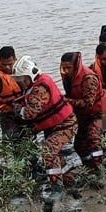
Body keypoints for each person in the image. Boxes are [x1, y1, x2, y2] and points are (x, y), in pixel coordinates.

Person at [11, 56, 78, 195]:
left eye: (22, 79)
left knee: (48, 151)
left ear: (30, 75)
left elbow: (29, 113)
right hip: (55, 124)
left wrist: (17, 108)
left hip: (65, 125)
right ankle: (69, 181)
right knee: (55, 154)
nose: (20, 83)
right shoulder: (36, 85)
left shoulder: (40, 88)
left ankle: (56, 189)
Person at [60, 51, 104, 173]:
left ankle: (101, 169)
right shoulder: (70, 77)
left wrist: (66, 101)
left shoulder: (88, 78)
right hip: (83, 114)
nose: (66, 71)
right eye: (64, 68)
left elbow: (88, 103)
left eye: (69, 68)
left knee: (93, 138)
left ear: (76, 66)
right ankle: (90, 167)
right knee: (79, 146)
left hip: (99, 113)